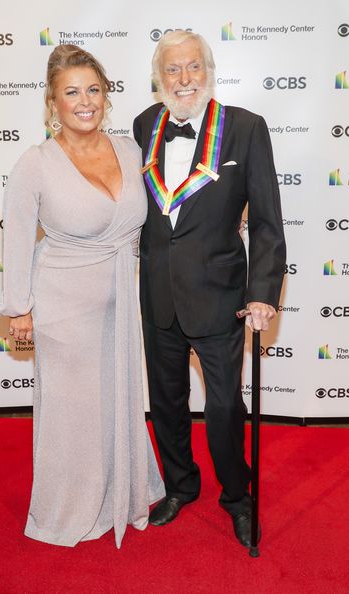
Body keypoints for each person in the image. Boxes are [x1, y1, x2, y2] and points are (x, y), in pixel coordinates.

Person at [0, 44, 165, 548]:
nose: (84, 101)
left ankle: (121, 490)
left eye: (93, 89)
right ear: (53, 102)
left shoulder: (130, 149)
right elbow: (17, 237)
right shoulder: (35, 163)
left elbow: (166, 206)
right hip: (63, 306)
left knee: (114, 400)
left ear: (106, 96)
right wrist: (18, 309)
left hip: (120, 301)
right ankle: (66, 508)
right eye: (72, 92)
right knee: (72, 414)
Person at [133, 30, 286, 548]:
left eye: (193, 67)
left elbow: (266, 222)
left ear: (209, 70)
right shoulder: (145, 125)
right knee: (167, 401)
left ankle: (238, 498)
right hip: (157, 295)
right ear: (159, 78)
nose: (183, 79)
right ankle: (180, 485)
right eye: (172, 70)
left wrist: (263, 290)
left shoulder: (245, 128)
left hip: (221, 298)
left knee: (224, 407)